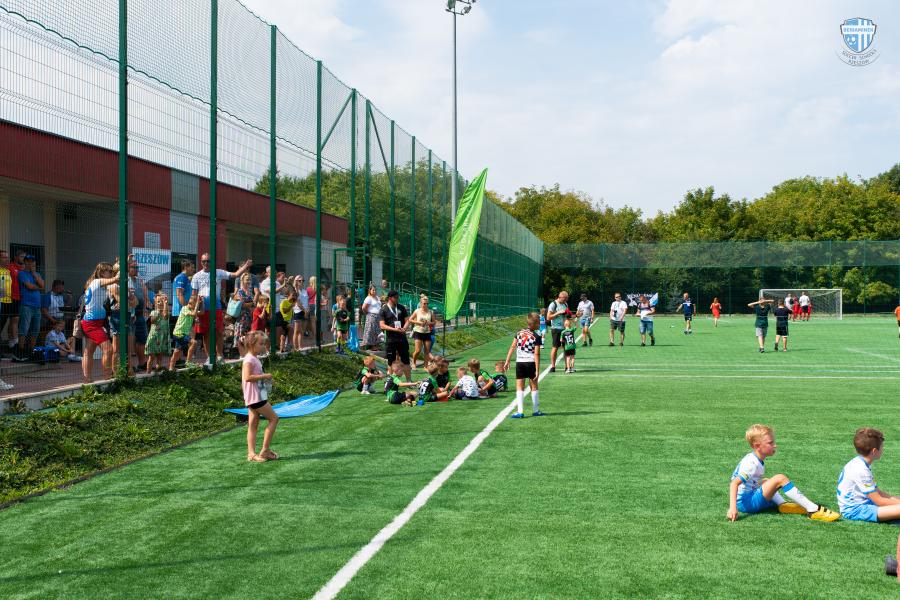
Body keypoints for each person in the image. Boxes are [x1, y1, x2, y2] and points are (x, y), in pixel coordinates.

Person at [728, 423, 839, 522]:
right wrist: (733, 508)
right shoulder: (752, 464)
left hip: (746, 499)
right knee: (780, 478)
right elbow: (734, 483)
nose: (775, 445)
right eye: (770, 443)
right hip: (747, 503)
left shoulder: (753, 458)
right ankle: (813, 509)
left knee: (766, 481)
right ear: (757, 446)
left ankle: (782, 505)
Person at [191, 253, 252, 364]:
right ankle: (209, 358)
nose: (206, 263)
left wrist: (245, 266)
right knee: (206, 334)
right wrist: (195, 311)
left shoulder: (218, 272)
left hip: (217, 307)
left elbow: (235, 274)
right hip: (203, 309)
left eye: (208, 261)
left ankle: (219, 356)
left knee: (219, 332)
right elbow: (194, 295)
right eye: (204, 261)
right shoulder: (196, 276)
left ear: (212, 262)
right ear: (201, 262)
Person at [837, 428, 900, 523]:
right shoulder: (861, 470)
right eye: (882, 447)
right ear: (874, 451)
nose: (883, 449)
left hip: (865, 502)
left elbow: (878, 492)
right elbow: (879, 501)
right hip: (855, 510)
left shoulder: (860, 462)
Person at [242, 330, 279, 462]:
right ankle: (265, 450)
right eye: (261, 344)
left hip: (254, 396)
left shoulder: (253, 358)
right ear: (251, 344)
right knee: (274, 419)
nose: (263, 346)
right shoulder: (249, 359)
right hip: (256, 397)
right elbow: (247, 377)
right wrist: (264, 376)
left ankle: (251, 454)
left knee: (253, 424)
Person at [81, 262, 119, 382]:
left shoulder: (102, 286)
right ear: (102, 273)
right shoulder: (97, 282)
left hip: (96, 323)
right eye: (110, 271)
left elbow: (114, 287)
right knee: (108, 349)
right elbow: (116, 279)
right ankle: (107, 377)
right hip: (91, 324)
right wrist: (122, 265)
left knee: (89, 351)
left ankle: (87, 378)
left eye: (113, 271)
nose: (112, 273)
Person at [503, 312, 544, 419]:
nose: (540, 324)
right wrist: (537, 370)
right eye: (539, 322)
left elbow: (512, 347)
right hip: (531, 363)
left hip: (520, 363)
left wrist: (507, 360)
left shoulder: (519, 333)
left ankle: (520, 412)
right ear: (535, 324)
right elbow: (536, 354)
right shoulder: (536, 336)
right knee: (534, 386)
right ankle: (536, 410)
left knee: (519, 387)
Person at [16, 254, 44, 361]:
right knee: (24, 328)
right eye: (28, 261)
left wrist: (34, 274)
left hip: (37, 306)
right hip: (26, 305)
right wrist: (38, 288)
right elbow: (29, 286)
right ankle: (21, 350)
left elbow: (43, 285)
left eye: (32, 261)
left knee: (36, 329)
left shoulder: (37, 274)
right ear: (25, 262)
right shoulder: (22, 273)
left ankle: (31, 350)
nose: (30, 263)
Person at [379, 290, 411, 381]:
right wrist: (394, 329)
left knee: (406, 360)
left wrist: (404, 328)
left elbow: (407, 320)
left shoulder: (401, 307)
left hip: (402, 338)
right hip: (391, 339)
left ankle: (409, 381)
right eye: (395, 297)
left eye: (398, 297)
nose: (397, 299)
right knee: (391, 361)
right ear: (390, 298)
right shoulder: (383, 309)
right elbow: (382, 325)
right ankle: (391, 382)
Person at [169, 293, 200, 370]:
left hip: (180, 333)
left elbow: (201, 312)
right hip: (179, 333)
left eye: (192, 304)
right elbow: (194, 314)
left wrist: (200, 302)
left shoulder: (192, 309)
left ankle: (171, 367)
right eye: (190, 303)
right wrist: (197, 303)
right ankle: (188, 362)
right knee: (194, 343)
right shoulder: (184, 308)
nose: (190, 305)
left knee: (177, 351)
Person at [145, 293, 171, 372]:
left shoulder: (166, 312)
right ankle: (148, 373)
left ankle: (157, 372)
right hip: (154, 337)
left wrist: (165, 304)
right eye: (159, 301)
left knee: (160, 357)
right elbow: (152, 321)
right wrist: (158, 313)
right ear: (155, 303)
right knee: (151, 357)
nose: (161, 303)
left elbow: (165, 316)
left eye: (162, 301)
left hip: (162, 337)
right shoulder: (154, 312)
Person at [232, 273, 256, 357]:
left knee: (247, 336)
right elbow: (242, 305)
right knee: (241, 336)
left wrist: (251, 304)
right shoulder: (240, 292)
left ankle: (246, 354)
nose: (249, 281)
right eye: (247, 279)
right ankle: (241, 355)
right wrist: (252, 303)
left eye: (250, 279)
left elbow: (251, 305)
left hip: (249, 317)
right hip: (241, 318)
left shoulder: (249, 292)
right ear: (242, 280)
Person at [409, 295, 435, 368]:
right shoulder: (417, 311)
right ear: (420, 303)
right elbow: (410, 319)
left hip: (427, 332)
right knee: (418, 350)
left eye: (427, 303)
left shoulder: (431, 312)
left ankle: (425, 366)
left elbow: (434, 322)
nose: (426, 305)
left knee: (427, 351)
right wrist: (419, 323)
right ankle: (414, 362)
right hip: (418, 332)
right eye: (424, 303)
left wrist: (429, 323)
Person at [547, 291, 568, 373]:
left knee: (566, 348)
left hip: (564, 329)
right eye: (565, 299)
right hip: (556, 329)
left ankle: (567, 366)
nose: (566, 300)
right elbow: (548, 317)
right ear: (560, 297)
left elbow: (567, 316)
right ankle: (553, 366)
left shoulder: (565, 304)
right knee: (555, 347)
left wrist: (576, 315)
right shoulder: (553, 304)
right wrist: (558, 313)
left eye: (566, 299)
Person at [170, 260, 194, 332]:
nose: (193, 269)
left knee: (184, 333)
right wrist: (186, 308)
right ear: (186, 267)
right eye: (192, 267)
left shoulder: (185, 278)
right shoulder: (182, 277)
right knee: (182, 334)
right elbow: (179, 294)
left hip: (182, 311)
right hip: (181, 311)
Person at [360, 285, 382, 350]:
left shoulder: (377, 297)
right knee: (371, 330)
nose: (374, 291)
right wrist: (368, 313)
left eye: (375, 290)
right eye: (373, 290)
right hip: (371, 316)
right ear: (370, 291)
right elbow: (363, 308)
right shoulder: (368, 298)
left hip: (378, 316)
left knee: (377, 331)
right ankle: (369, 345)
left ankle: (376, 344)